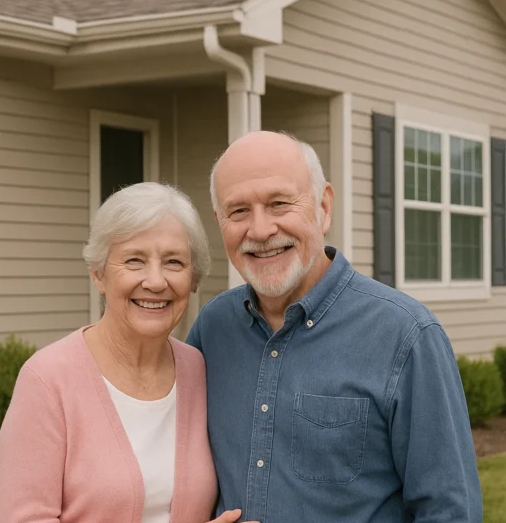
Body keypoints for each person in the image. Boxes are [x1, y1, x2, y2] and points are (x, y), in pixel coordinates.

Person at [186, 130, 482, 522]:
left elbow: (448, 511)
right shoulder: (213, 328)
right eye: (238, 211)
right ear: (219, 222)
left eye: (279, 203)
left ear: (324, 206)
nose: (259, 230)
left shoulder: (406, 336)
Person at [0, 182, 257, 523]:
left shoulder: (197, 369)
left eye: (174, 262)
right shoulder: (47, 380)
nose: (155, 281)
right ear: (98, 275)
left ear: (193, 280)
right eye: (134, 261)